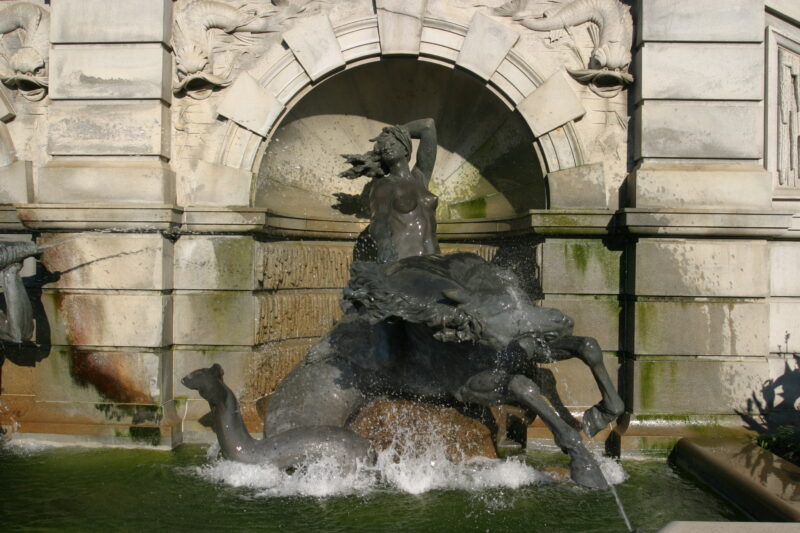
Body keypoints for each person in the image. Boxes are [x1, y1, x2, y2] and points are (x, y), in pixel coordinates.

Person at [341, 118, 439, 263]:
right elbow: (378, 222)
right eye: (383, 147)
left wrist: (395, 132)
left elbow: (428, 126)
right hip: (405, 262)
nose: (387, 148)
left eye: (392, 143)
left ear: (405, 148)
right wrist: (384, 246)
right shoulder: (383, 186)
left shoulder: (420, 178)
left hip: (434, 261)